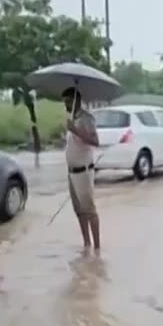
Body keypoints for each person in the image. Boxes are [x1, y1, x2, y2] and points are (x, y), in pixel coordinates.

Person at [62, 86, 101, 251]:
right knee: (79, 211)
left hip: (84, 172)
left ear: (77, 100)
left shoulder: (87, 119)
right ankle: (87, 244)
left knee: (89, 210)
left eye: (69, 101)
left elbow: (95, 141)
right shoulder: (72, 119)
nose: (66, 105)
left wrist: (75, 130)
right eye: (65, 101)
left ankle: (97, 248)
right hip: (72, 172)